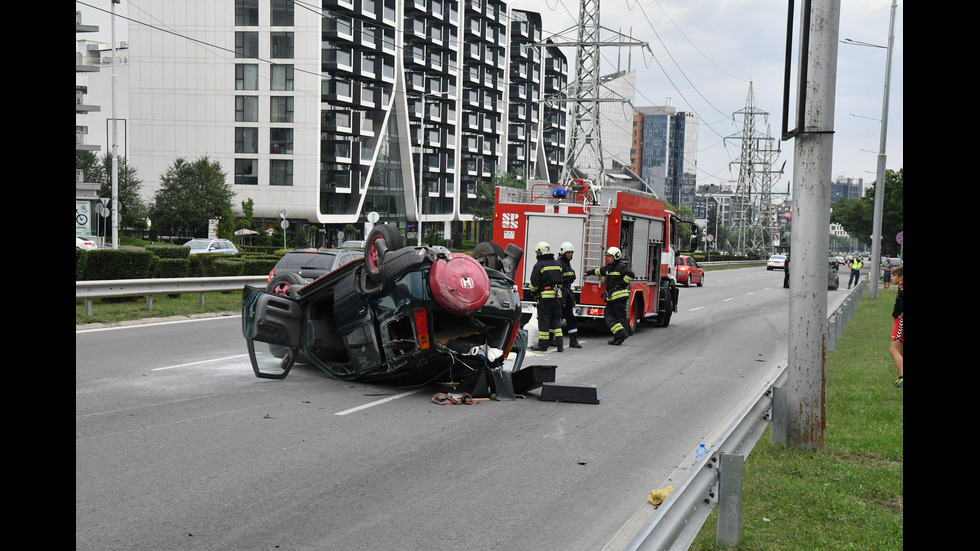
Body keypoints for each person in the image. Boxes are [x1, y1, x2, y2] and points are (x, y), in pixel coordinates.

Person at [590, 246, 635, 345]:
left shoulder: (621, 266)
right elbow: (600, 271)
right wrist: (590, 272)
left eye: (610, 256)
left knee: (617, 317)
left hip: (619, 296)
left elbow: (631, 275)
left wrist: (623, 282)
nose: (608, 258)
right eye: (608, 256)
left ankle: (620, 335)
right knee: (610, 315)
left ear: (616, 256)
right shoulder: (609, 267)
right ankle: (619, 335)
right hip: (612, 297)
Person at [528, 241, 564, 352]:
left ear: (540, 252)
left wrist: (533, 292)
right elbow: (561, 282)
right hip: (557, 296)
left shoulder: (539, 265)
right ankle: (560, 345)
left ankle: (543, 345)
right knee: (556, 320)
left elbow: (534, 283)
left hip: (545, 297)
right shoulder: (558, 264)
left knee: (544, 320)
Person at [557, 242, 582, 348]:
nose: (570, 255)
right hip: (561, 294)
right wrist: (570, 277)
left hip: (566, 294)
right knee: (557, 317)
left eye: (571, 253)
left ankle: (573, 339)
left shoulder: (566, 263)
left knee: (570, 317)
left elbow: (572, 275)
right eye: (568, 253)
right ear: (563, 253)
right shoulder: (559, 263)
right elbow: (566, 277)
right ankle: (551, 339)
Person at [889, 265, 903, 387]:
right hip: (899, 320)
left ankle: (903, 378)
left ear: (901, 277)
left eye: (894, 275)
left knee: (893, 350)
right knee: (900, 351)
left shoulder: (902, 288)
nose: (892, 278)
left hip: (900, 321)